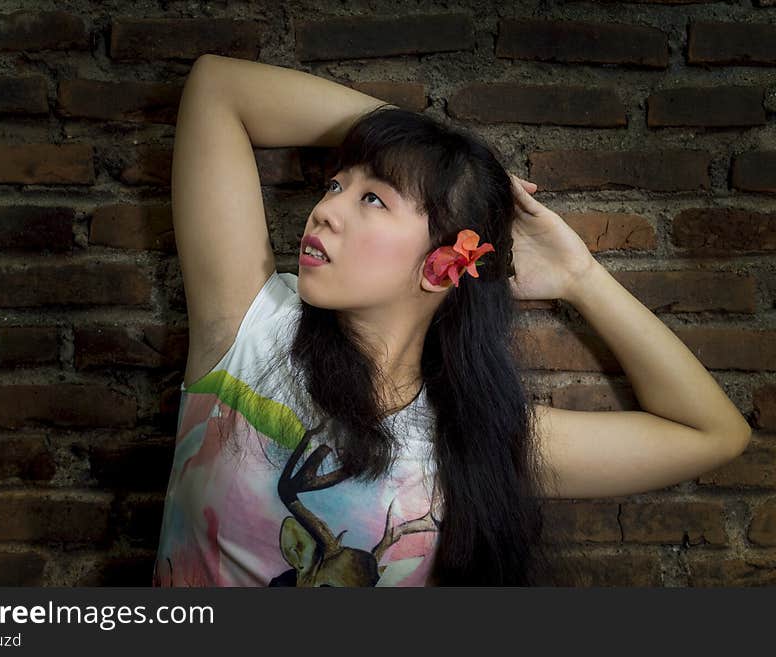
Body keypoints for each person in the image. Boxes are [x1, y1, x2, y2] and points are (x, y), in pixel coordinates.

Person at [152, 54, 752, 587]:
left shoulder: (476, 438)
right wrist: (433, 150)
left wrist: (580, 277)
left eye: (372, 199)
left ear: (442, 266)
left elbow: (714, 434)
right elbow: (218, 87)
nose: (325, 209)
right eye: (335, 185)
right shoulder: (251, 328)